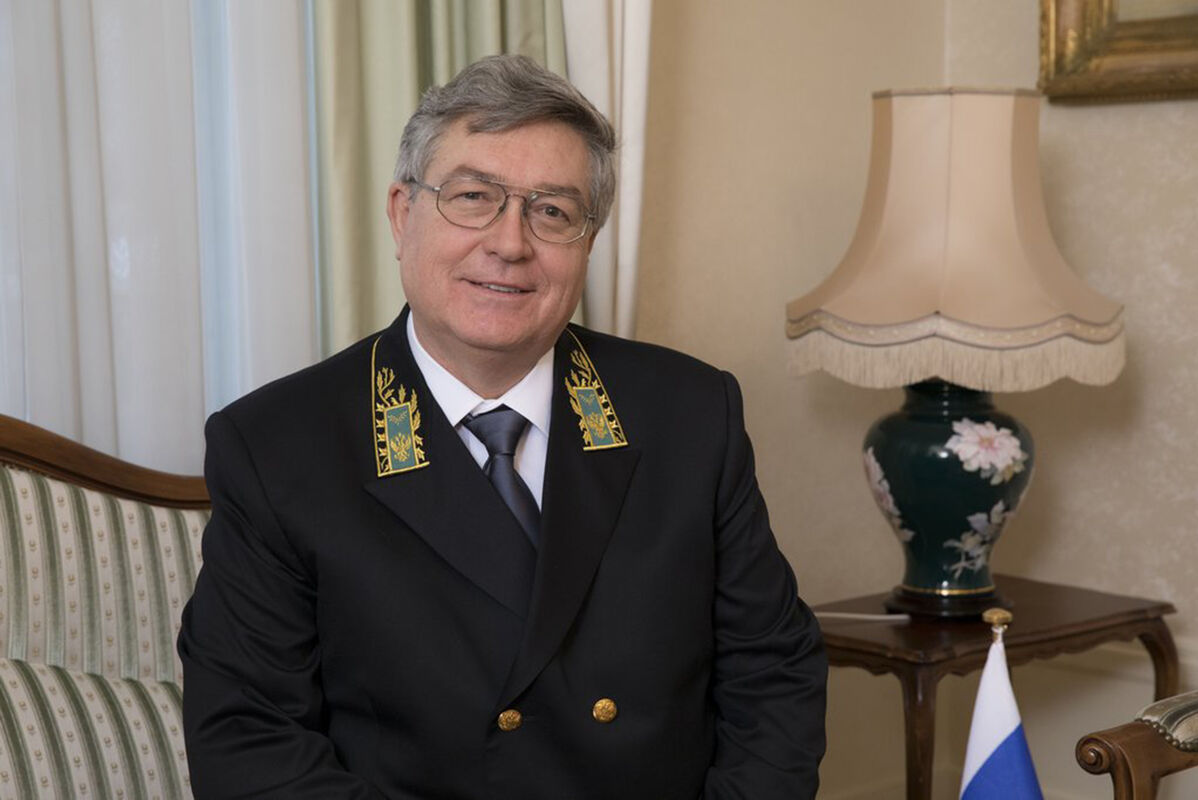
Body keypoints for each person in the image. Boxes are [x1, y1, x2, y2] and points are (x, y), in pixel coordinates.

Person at [178, 54, 826, 799]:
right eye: (473, 197)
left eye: (552, 212)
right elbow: (251, 740)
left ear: (587, 242)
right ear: (402, 214)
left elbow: (773, 675)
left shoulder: (689, 411)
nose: (510, 243)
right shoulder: (277, 447)